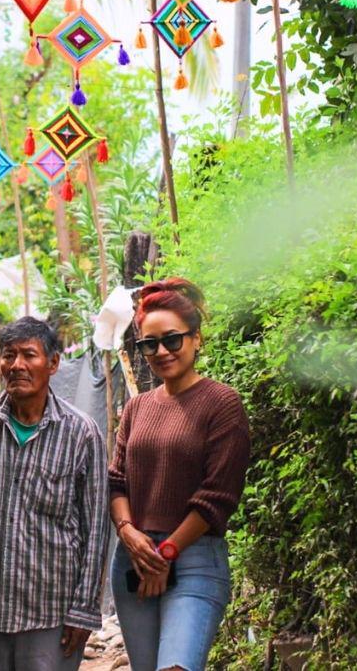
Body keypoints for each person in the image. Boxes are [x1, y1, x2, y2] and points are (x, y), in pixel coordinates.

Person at [0, 317, 109, 671]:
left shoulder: (81, 433)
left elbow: (96, 530)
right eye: (9, 355)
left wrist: (84, 609)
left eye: (29, 355)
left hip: (51, 611)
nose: (17, 365)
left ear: (53, 363)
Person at [107, 278, 250, 671]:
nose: (161, 351)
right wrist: (128, 532)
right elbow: (116, 482)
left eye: (172, 340)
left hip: (193, 558)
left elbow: (218, 495)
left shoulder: (222, 404)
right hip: (134, 559)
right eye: (150, 344)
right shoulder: (137, 408)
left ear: (196, 338)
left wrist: (167, 552)